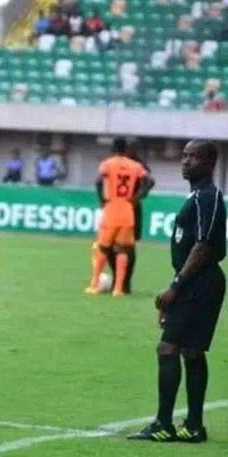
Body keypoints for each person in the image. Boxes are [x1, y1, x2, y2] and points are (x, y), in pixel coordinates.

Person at [127, 140, 226, 443]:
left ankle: (163, 424)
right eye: (184, 155)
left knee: (168, 348)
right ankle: (193, 426)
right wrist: (175, 288)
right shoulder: (196, 196)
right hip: (193, 282)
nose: (185, 161)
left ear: (209, 163)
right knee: (191, 351)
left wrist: (175, 287)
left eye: (193, 157)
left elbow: (203, 246)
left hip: (200, 283)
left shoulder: (207, 198)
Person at [85, 137, 153, 296]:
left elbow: (98, 181)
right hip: (129, 209)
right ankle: (119, 287)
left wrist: (102, 200)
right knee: (125, 248)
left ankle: (97, 284)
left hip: (114, 207)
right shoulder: (138, 166)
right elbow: (150, 181)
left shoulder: (109, 163)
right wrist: (136, 198)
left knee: (104, 247)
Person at [106, 138, 155, 293]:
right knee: (109, 245)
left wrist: (136, 198)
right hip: (116, 207)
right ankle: (118, 279)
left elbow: (150, 181)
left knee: (127, 247)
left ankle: (124, 283)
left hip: (130, 209)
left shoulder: (138, 164)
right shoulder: (116, 162)